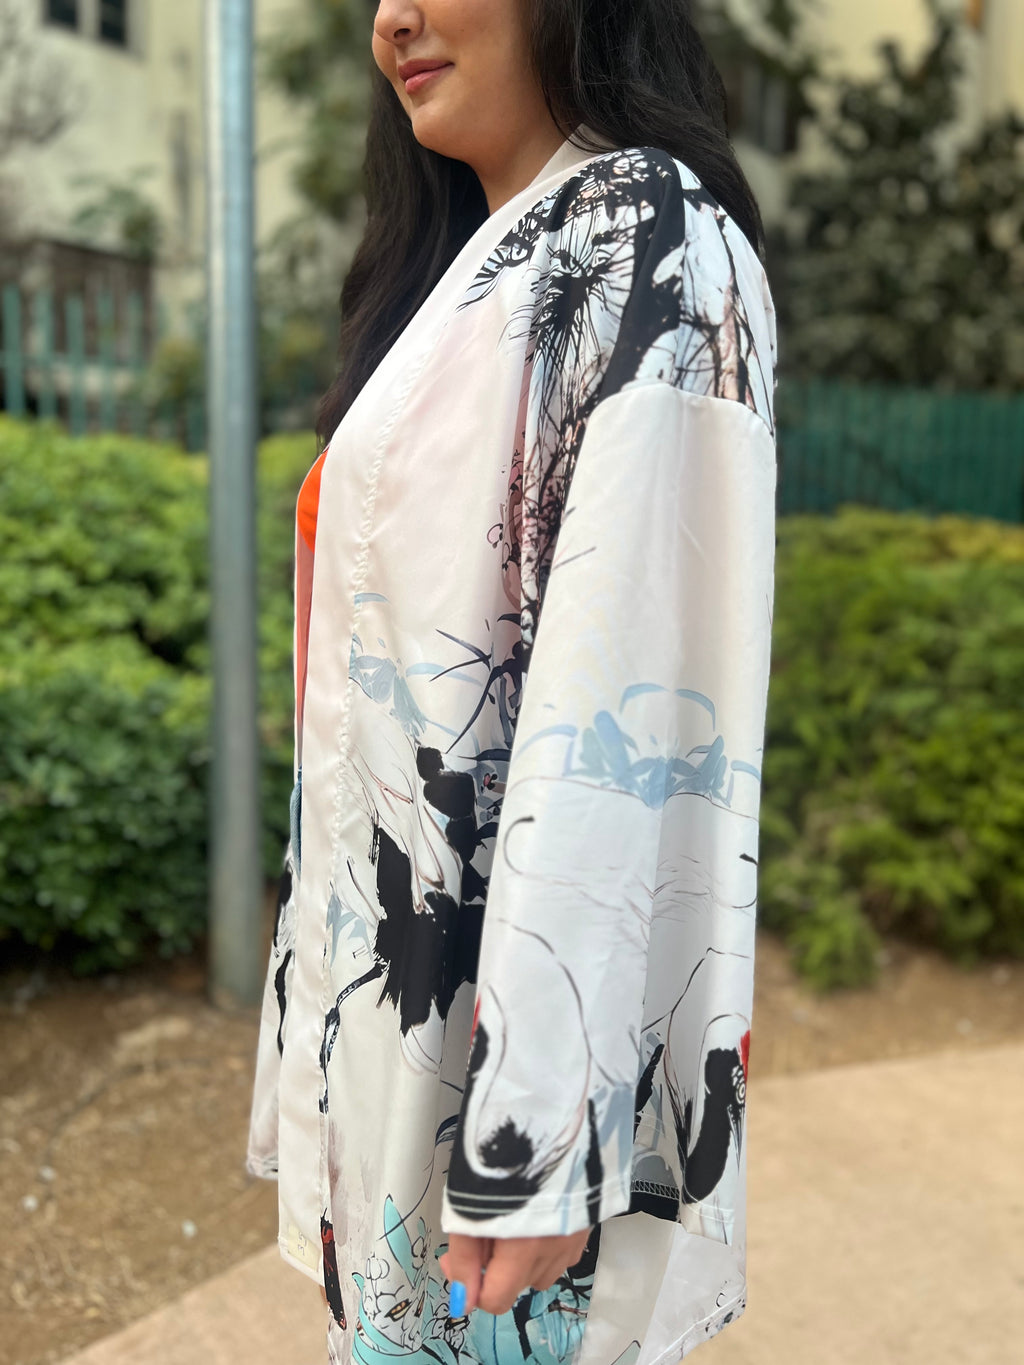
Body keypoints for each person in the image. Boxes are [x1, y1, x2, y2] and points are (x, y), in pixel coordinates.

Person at [246, 2, 777, 1363]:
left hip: (501, 1114)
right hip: (402, 1054)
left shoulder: (650, 237)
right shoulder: (472, 263)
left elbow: (652, 709)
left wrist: (549, 1123)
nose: (390, 18)